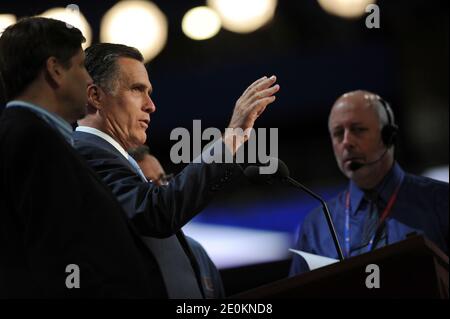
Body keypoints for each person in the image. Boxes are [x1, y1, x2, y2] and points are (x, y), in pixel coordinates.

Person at [73, 43, 279, 298]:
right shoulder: (85, 153)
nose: (151, 105)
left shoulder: (111, 156)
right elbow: (156, 213)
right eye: (137, 89)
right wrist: (232, 136)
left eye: (149, 92)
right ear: (95, 96)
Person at [0, 17, 162, 298]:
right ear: (55, 70)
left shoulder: (35, 136)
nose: (89, 80)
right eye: (81, 67)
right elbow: (57, 256)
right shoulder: (31, 138)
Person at [290, 90, 448, 275]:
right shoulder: (316, 226)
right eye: (338, 133)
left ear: (389, 136)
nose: (347, 142)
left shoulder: (441, 201)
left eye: (358, 129)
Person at [128, 145, 226, 298]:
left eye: (164, 179)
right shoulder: (130, 263)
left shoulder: (196, 250)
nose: (161, 188)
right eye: (150, 184)